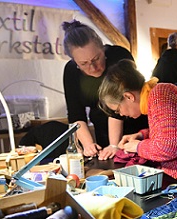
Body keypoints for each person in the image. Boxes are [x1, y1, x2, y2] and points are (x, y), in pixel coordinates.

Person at [98, 59, 177, 191]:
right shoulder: (156, 94)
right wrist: (141, 135)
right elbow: (168, 130)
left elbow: (170, 146)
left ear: (129, 97)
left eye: (118, 109)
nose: (121, 114)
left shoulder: (160, 95)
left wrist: (138, 146)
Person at [62, 20, 148, 160]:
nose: (93, 67)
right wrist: (89, 145)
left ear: (103, 49)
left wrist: (114, 144)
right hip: (102, 132)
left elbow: (120, 101)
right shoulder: (71, 71)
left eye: (96, 58)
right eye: (84, 64)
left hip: (134, 128)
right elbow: (75, 114)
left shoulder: (118, 55)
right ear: (74, 61)